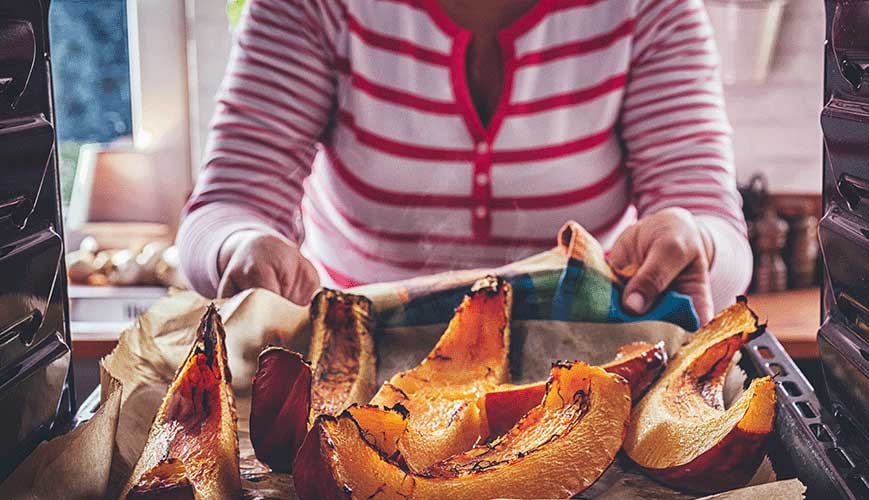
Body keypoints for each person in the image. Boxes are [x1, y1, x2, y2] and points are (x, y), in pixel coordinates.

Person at [178, 0, 752, 324]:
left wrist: (694, 239)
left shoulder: (651, 10)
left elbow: (713, 227)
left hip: (587, 374)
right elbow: (226, 208)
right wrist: (240, 243)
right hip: (356, 377)